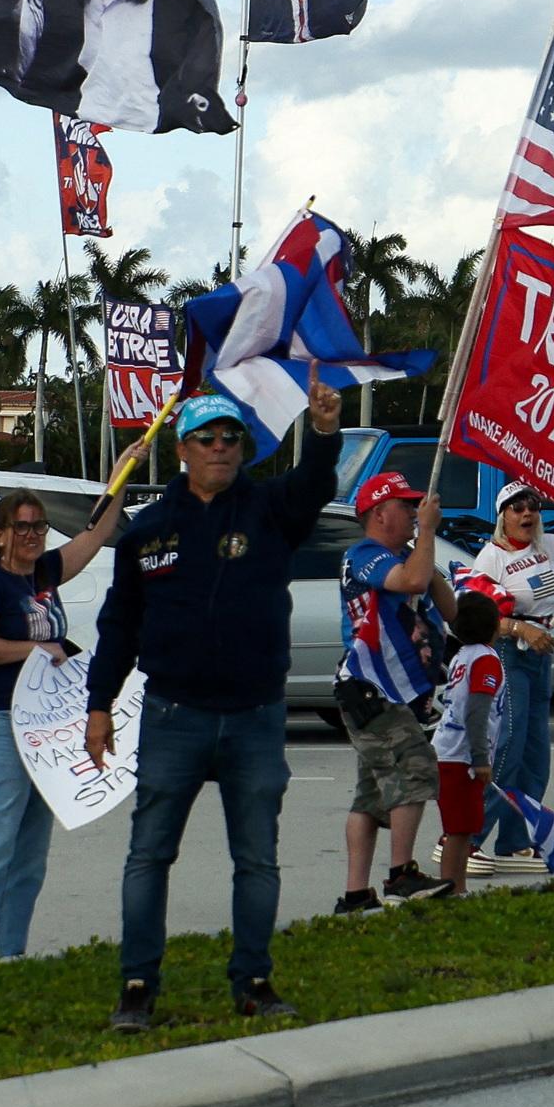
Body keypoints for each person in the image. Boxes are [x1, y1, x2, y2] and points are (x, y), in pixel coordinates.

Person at [87, 380, 342, 1032]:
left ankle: (254, 981)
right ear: (183, 447)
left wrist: (322, 431)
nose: (223, 448)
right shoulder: (148, 530)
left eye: (233, 438)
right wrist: (98, 706)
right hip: (173, 715)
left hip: (255, 716)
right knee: (149, 855)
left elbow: (313, 484)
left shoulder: (268, 509)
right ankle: (137, 987)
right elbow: (119, 624)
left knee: (256, 858)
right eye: (209, 438)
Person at [0, 467, 133, 967]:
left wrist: (124, 471)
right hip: (0, 724)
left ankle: (6, 951)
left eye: (39, 526)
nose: (33, 535)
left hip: (41, 729)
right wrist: (38, 648)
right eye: (22, 527)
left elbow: (96, 532)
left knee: (30, 851)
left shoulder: (45, 573)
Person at [331, 471, 452, 914]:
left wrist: (425, 545)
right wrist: (429, 535)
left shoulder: (410, 555)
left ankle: (356, 894)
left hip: (389, 691)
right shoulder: (364, 554)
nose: (414, 514)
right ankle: (402, 874)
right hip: (370, 685)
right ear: (380, 513)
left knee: (371, 794)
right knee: (416, 766)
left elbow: (449, 607)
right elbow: (410, 584)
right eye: (406, 506)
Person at [468, 484, 554, 877]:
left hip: (541, 656)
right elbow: (472, 615)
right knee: (507, 747)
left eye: (532, 506)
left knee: (535, 756)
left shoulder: (548, 546)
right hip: (510, 654)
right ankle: (466, 839)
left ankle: (514, 843)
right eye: (516, 508)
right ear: (502, 516)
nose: (526, 514)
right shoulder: (490, 558)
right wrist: (518, 629)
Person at [429, 588, 509, 897]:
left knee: (461, 827)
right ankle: (453, 888)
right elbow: (477, 710)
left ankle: (453, 885)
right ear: (492, 626)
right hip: (461, 758)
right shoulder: (486, 661)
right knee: (460, 830)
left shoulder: (463, 655)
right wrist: (480, 758)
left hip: (448, 751)